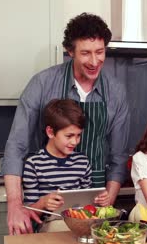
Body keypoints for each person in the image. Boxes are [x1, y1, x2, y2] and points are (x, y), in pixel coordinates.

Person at [2, 13, 130, 235]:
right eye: (85, 53)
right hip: (47, 199)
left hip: (94, 198)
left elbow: (118, 156)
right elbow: (16, 146)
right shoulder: (42, 84)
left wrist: (109, 197)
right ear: (70, 52)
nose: (94, 61)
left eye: (100, 52)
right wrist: (14, 204)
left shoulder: (116, 91)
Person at [23, 99, 99, 232]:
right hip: (50, 226)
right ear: (50, 132)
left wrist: (98, 202)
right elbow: (29, 215)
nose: (74, 142)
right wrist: (43, 202)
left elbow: (88, 207)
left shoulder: (82, 162)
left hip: (79, 223)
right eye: (69, 136)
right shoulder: (34, 164)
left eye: (78, 136)